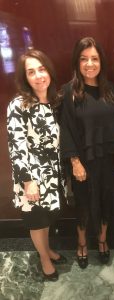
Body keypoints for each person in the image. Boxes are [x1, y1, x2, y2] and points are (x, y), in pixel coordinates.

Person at [60, 37, 114, 269]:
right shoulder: (69, 92)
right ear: (77, 62)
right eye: (84, 59)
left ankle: (102, 240)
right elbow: (65, 129)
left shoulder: (110, 90)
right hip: (83, 162)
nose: (90, 64)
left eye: (95, 58)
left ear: (102, 62)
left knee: (108, 200)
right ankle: (81, 244)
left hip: (108, 158)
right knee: (84, 205)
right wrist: (75, 162)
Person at [7, 49, 67, 281]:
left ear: (49, 71)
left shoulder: (55, 101)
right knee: (36, 220)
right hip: (31, 175)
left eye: (41, 69)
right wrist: (28, 182)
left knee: (47, 218)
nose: (38, 76)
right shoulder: (19, 105)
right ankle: (43, 258)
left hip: (53, 173)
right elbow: (17, 145)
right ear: (25, 78)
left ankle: (47, 249)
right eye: (31, 72)